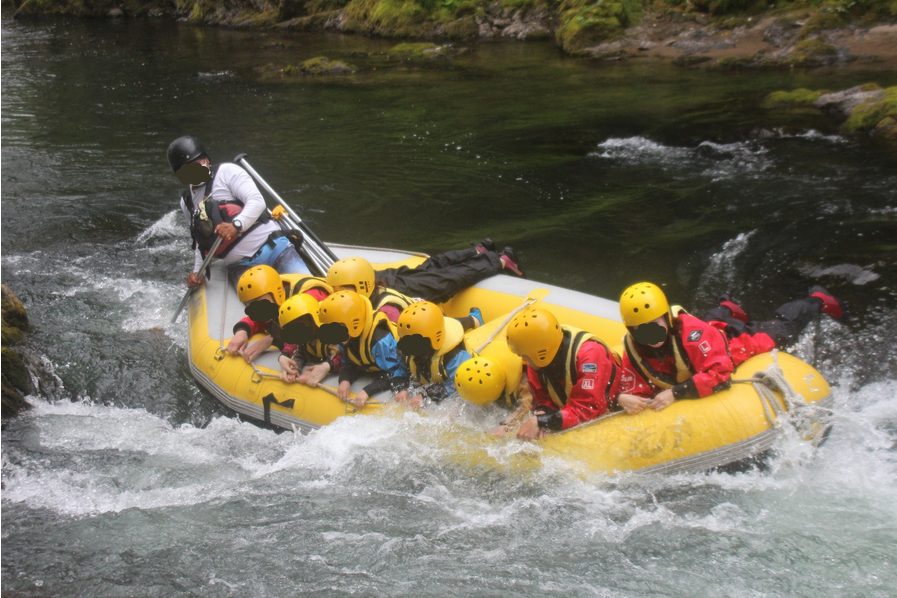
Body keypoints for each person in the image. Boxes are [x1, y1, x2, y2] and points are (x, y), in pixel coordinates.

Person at [615, 282, 844, 415]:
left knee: (783, 329)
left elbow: (719, 375)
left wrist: (675, 393)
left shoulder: (691, 333)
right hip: (708, 334)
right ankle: (727, 306)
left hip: (735, 344)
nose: (649, 335)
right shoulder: (634, 349)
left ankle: (817, 300)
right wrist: (621, 397)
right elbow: (626, 385)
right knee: (711, 321)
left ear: (667, 317)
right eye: (640, 329)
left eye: (655, 325)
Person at [166, 135, 310, 288]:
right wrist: (197, 272)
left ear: (207, 160)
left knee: (306, 289)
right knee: (264, 309)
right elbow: (200, 241)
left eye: (200, 162)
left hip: (274, 248)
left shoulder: (227, 172)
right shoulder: (187, 201)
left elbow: (257, 201)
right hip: (240, 267)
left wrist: (236, 225)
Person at [325, 241, 522, 322]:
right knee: (428, 269)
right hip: (378, 278)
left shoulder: (380, 301)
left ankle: (498, 260)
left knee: (443, 280)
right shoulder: (356, 285)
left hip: (388, 287)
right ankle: (478, 251)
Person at [504, 307, 623, 440]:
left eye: (525, 356)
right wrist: (543, 415)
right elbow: (542, 399)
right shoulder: (539, 358)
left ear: (540, 353)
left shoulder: (590, 356)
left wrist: (543, 421)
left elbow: (587, 408)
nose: (523, 360)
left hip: (613, 406)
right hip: (573, 406)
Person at [227, 265, 335, 381]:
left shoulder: (309, 301)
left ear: (277, 294)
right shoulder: (270, 299)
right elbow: (256, 320)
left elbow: (307, 333)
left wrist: (272, 339)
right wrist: (243, 331)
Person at [317, 290, 410, 408]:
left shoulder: (380, 341)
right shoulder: (346, 337)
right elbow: (350, 364)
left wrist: (367, 391)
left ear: (353, 324)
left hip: (397, 370)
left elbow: (397, 375)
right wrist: (345, 380)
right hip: (377, 368)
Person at [393, 301, 474, 407]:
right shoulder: (407, 350)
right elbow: (401, 372)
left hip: (447, 331)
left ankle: (474, 317)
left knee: (467, 321)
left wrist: (425, 395)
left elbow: (457, 385)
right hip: (432, 330)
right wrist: (401, 388)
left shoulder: (454, 356)